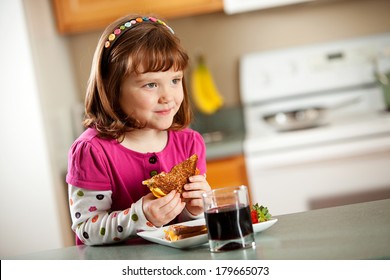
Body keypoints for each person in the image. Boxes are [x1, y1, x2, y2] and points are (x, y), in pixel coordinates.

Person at [66, 15, 211, 245]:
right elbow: (86, 229)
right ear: (113, 88)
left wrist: (195, 209)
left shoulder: (190, 143)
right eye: (151, 84)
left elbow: (187, 225)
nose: (168, 97)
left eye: (175, 80)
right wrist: (140, 215)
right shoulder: (92, 151)